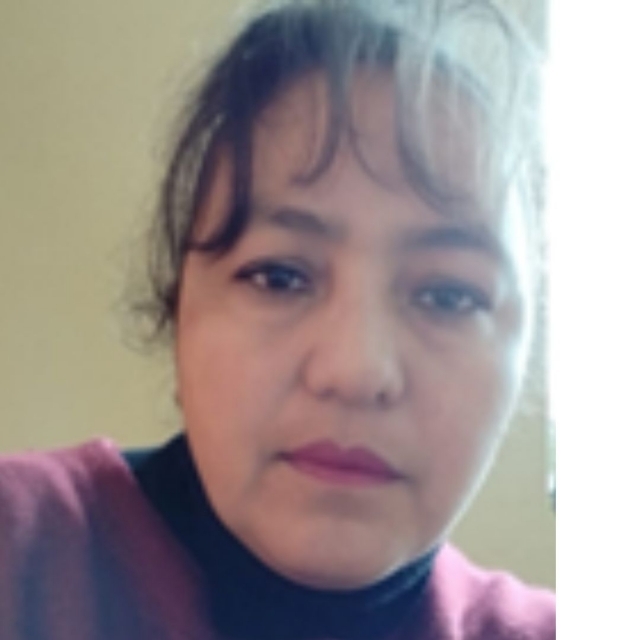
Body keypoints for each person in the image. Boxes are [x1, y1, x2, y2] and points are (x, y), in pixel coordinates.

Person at [0, 0, 554, 638]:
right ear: (178, 315)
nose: (354, 370)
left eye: (448, 295)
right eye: (279, 277)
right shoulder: (23, 554)